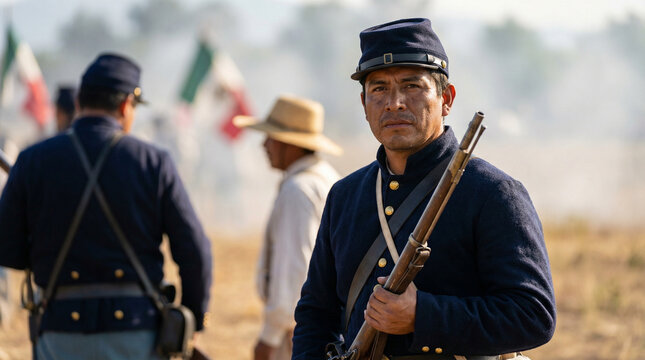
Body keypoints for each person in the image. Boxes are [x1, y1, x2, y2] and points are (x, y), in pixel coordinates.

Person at [292, 18, 556, 360]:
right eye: (379, 88)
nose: (395, 102)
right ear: (364, 105)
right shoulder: (345, 196)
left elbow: (533, 315)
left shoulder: (492, 192)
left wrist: (423, 315)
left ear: (446, 99)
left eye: (412, 86)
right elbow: (316, 314)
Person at [0, 53, 212, 359]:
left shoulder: (32, 160)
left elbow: (8, 249)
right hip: (137, 334)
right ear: (127, 105)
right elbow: (195, 251)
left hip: (60, 333)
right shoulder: (154, 162)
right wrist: (193, 320)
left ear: (78, 103)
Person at [234, 95, 342, 360]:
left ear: (290, 144)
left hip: (296, 332)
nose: (264, 145)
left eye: (271, 137)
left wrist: (268, 338)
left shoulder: (298, 190)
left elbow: (294, 273)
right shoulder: (327, 180)